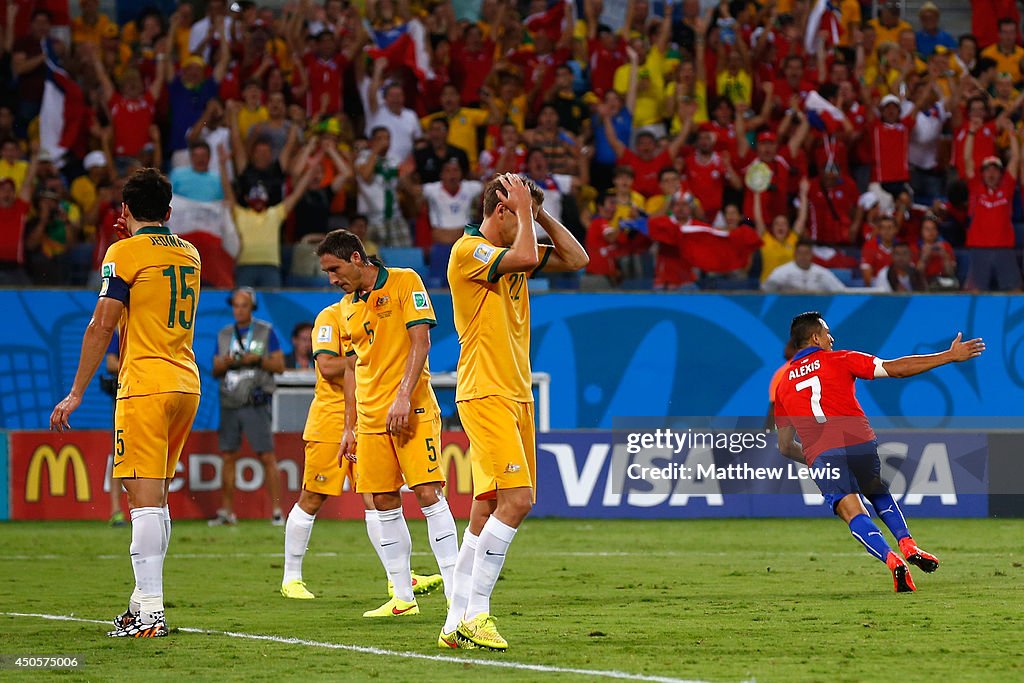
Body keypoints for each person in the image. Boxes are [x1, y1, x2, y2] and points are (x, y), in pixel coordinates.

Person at [50, 167, 202, 637]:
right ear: (170, 211)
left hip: (146, 384)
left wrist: (76, 392)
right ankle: (140, 605)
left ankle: (151, 615)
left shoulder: (123, 252)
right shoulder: (190, 251)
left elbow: (101, 324)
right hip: (186, 383)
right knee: (156, 499)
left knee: (142, 503)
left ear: (125, 211)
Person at [441, 174, 588, 650]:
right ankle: (478, 615)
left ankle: (453, 621)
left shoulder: (512, 256)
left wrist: (539, 212)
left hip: (517, 394)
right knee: (518, 501)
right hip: (486, 393)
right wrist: (527, 214)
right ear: (500, 211)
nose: (530, 222)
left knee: (485, 509)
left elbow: (577, 258)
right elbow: (525, 255)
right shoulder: (469, 252)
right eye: (521, 212)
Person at [774, 312, 985, 591]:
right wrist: (947, 356)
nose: (831, 338)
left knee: (853, 512)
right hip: (858, 439)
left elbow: (785, 446)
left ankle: (892, 560)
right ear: (815, 337)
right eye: (827, 333)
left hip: (822, 452)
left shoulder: (783, 384)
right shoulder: (841, 358)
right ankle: (908, 543)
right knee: (877, 491)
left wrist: (817, 458)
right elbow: (895, 369)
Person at [317, 229, 461, 618]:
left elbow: (421, 343)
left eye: (335, 269)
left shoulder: (405, 281)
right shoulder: (346, 307)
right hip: (369, 419)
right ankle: (403, 597)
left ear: (357, 258)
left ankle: (456, 597)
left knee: (429, 494)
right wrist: (350, 426)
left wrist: (401, 397)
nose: (332, 279)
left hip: (411, 410)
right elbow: (353, 370)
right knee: (382, 501)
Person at [281, 302, 442, 600]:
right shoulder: (329, 316)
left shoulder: (376, 314)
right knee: (312, 496)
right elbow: (327, 366)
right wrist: (370, 361)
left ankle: (399, 579)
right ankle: (292, 577)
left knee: (376, 498)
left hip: (369, 416)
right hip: (331, 419)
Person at [210, 287, 286, 526]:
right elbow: (214, 369)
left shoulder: (265, 331)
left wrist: (258, 360)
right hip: (230, 401)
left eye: (243, 305)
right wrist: (226, 363)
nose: (238, 309)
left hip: (255, 401)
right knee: (228, 456)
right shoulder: (224, 335)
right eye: (235, 305)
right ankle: (227, 512)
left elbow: (280, 366)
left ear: (251, 307)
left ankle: (276, 511)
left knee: (267, 456)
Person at [762, 240, 847, 293]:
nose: (803, 256)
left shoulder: (822, 273)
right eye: (800, 253)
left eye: (806, 253)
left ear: (812, 255)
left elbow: (841, 291)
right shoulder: (781, 272)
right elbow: (765, 291)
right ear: (795, 254)